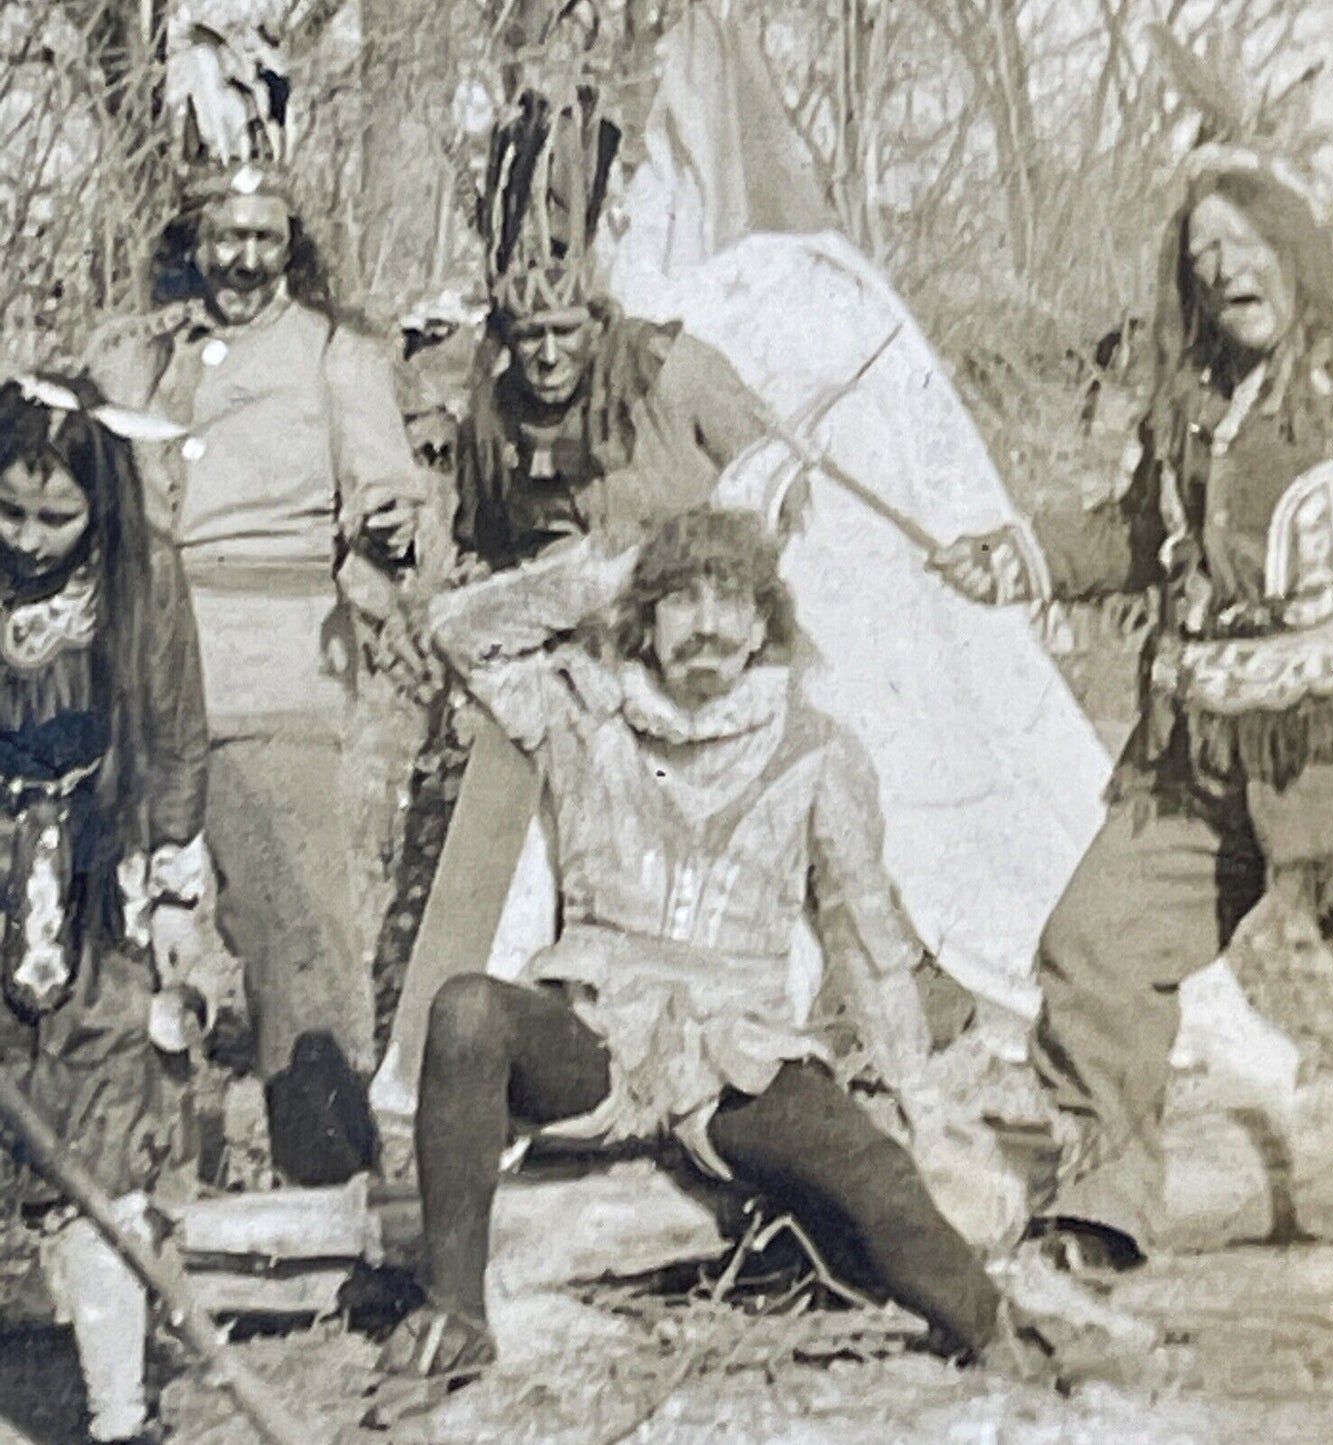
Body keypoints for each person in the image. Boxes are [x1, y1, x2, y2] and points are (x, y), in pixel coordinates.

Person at [373, 83, 972, 1119]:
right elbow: (473, 546)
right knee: (501, 820)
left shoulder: (674, 366)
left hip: (704, 644)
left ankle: (881, 1022)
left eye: (563, 329)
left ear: (595, 313)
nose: (547, 354)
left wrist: (706, 548)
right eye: (525, 335)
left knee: (819, 793)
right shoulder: (490, 399)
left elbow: (776, 480)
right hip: (575, 676)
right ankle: (460, 1074)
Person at [932, 141, 1333, 1260]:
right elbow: (1139, 535)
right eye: (1201, 256)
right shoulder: (1193, 404)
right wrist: (1019, 557)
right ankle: (1101, 1209)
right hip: (1198, 759)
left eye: (1245, 244)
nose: (1224, 271)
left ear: (1294, 247)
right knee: (1094, 941)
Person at [376, 509, 1007, 1377]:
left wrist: (920, 1099)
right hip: (592, 1038)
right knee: (467, 1010)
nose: (706, 624)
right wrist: (597, 575)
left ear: (763, 624)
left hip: (736, 1053)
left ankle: (1002, 1337)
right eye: (679, 600)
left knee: (869, 1170)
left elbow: (864, 941)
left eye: (731, 601)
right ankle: (455, 1318)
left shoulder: (818, 750)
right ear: (643, 616)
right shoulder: (581, 710)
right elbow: (457, 634)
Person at [86, 24, 435, 1173]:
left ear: (292, 244)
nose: (242, 258)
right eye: (223, 236)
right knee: (145, 930)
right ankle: (147, 1166)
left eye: (264, 238)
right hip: (143, 678)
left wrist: (386, 520)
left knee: (298, 928)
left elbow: (387, 481)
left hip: (279, 675)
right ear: (190, 239)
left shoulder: (337, 355)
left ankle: (326, 1164)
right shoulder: (137, 355)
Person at [0, 373, 212, 1443]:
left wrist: (175, 889)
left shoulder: (145, 576)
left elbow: (175, 735)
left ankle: (119, 1413)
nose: (30, 537)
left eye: (56, 517)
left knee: (106, 1137)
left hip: (99, 889)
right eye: (10, 511)